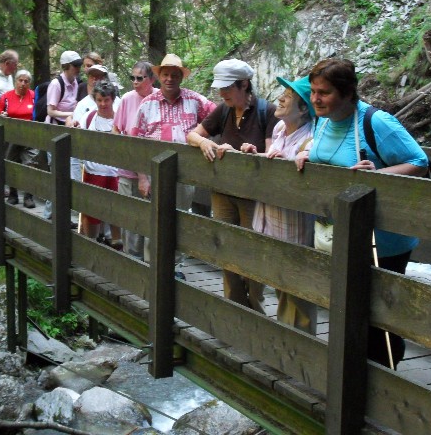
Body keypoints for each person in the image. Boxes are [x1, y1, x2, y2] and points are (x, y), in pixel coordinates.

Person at [295, 58, 429, 367]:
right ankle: (353, 378)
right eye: (314, 91)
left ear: (347, 93)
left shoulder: (376, 122)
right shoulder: (323, 120)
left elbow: (419, 162)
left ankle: (384, 383)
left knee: (378, 319)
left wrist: (378, 176)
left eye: (324, 93)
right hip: (340, 235)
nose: (315, 99)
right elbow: (325, 152)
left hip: (381, 240)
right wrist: (304, 155)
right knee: (348, 310)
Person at [186, 58, 278, 314]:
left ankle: (255, 308)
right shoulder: (223, 110)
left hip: (253, 195)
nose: (222, 92)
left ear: (244, 84)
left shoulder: (266, 112)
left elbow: (272, 155)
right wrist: (204, 143)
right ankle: (234, 309)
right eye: (220, 87)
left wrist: (238, 153)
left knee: (251, 249)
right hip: (223, 192)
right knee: (226, 247)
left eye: (228, 87)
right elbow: (192, 134)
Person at [241, 75, 317, 333]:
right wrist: (258, 154)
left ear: (304, 107)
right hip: (269, 215)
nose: (281, 98)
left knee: (295, 286)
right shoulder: (280, 129)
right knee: (279, 281)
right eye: (283, 92)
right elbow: (276, 157)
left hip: (293, 221)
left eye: (289, 95)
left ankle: (298, 348)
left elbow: (305, 172)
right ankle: (283, 343)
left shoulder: (313, 138)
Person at [131, 53, 216, 261]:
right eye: (166, 74)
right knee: (156, 219)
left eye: (174, 75)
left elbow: (218, 116)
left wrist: (205, 139)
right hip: (155, 172)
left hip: (185, 172)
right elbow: (135, 144)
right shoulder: (147, 104)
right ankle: (153, 264)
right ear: (159, 77)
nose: (170, 79)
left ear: (181, 77)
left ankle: (175, 267)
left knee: (179, 218)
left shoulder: (195, 100)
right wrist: (142, 177)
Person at [112, 61, 159, 258]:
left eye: (140, 78)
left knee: (150, 220)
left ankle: (150, 265)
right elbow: (116, 128)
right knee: (130, 218)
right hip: (128, 170)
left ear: (151, 79)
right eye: (132, 78)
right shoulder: (127, 99)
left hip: (154, 169)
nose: (135, 82)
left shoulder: (159, 98)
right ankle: (131, 262)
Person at [78, 80, 122, 248]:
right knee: (92, 210)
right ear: (94, 100)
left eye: (106, 100)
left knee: (115, 210)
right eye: (99, 100)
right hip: (92, 171)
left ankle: (117, 243)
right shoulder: (88, 118)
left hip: (115, 172)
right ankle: (91, 244)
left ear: (112, 99)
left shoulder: (119, 118)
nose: (103, 104)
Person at [42, 50, 84, 221]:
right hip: (55, 131)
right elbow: (50, 110)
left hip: (69, 132)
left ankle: (61, 216)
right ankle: (49, 216)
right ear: (66, 66)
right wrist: (69, 114)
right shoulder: (56, 84)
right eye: (76, 65)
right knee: (57, 174)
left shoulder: (76, 83)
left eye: (79, 65)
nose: (78, 68)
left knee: (67, 175)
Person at [0, 69, 42, 209]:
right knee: (11, 164)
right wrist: (1, 116)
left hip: (30, 136)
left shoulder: (34, 96)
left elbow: (39, 114)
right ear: (15, 81)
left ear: (29, 83)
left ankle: (28, 196)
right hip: (11, 136)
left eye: (26, 81)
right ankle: (13, 194)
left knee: (31, 164)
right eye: (20, 80)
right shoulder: (7, 97)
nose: (23, 83)